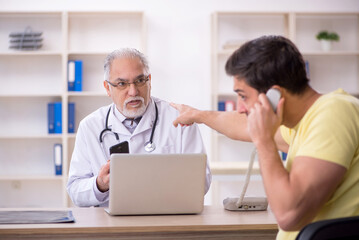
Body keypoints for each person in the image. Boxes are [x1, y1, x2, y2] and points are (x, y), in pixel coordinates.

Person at [171, 35, 359, 240]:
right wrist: (199, 115)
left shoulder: (333, 113)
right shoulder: (303, 123)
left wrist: (264, 142)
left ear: (274, 95)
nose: (241, 107)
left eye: (243, 96)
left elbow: (289, 215)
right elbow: (243, 124)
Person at [67, 48, 211, 207]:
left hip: (167, 219)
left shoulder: (180, 119)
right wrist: (100, 184)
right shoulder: (90, 126)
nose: (133, 91)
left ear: (149, 80)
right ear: (108, 88)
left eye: (140, 80)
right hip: (112, 226)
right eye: (122, 84)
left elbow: (201, 180)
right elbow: (75, 190)